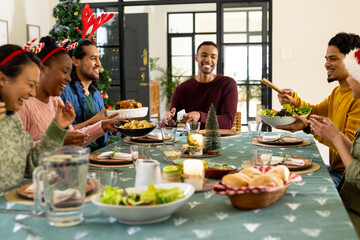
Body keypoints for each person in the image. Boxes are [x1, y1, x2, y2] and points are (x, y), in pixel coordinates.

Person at [276, 32, 360, 187]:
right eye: (326, 59)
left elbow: (350, 146)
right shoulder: (337, 92)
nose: (326, 64)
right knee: (283, 172)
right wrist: (293, 100)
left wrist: (309, 128)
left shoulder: (357, 98)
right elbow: (313, 113)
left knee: (294, 185)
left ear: (352, 62)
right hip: (335, 170)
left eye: (333, 58)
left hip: (346, 177)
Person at [18, 36, 123, 147]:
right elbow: (18, 152)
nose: (68, 79)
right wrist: (58, 141)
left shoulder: (55, 100)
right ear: (42, 69)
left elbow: (72, 137)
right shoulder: (23, 105)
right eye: (64, 71)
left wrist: (103, 126)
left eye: (69, 73)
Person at [0, 43, 75, 191]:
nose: (33, 94)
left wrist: (57, 128)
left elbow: (31, 166)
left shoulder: (12, 119)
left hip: (13, 208)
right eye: (30, 84)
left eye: (35, 86)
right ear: (2, 79)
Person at [308, 48, 360, 235]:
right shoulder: (339, 93)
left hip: (352, 200)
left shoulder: (355, 101)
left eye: (353, 75)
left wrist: (335, 137)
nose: (348, 80)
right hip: (348, 187)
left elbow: (357, 174)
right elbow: (355, 150)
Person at [161, 41, 238, 129]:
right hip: (191, 140)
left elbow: (227, 122)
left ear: (216, 60)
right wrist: (167, 122)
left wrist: (200, 116)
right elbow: (167, 125)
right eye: (204, 55)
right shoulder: (181, 89)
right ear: (196, 57)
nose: (208, 60)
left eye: (213, 57)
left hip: (219, 140)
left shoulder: (228, 84)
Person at [61, 39, 113, 151]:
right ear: (75, 62)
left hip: (100, 154)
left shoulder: (96, 94)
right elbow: (62, 136)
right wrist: (94, 121)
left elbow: (105, 134)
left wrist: (116, 123)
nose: (99, 64)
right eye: (93, 58)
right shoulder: (65, 92)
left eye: (99, 58)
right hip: (79, 158)